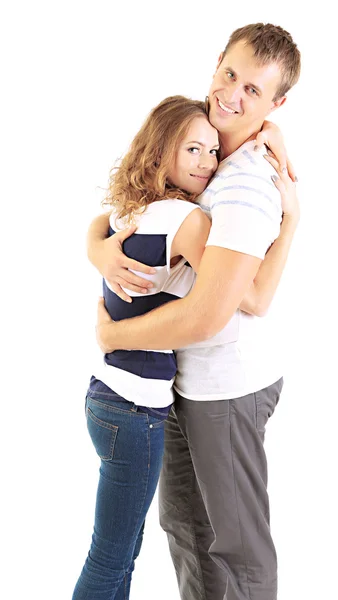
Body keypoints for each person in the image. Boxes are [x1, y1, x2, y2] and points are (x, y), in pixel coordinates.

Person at [89, 23, 301, 600]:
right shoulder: (208, 148)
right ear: (216, 64)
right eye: (230, 74)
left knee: (238, 548)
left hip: (227, 388)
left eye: (254, 91)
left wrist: (114, 331)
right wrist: (99, 247)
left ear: (276, 103)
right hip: (187, 383)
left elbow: (221, 311)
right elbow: (120, 210)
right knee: (185, 530)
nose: (232, 94)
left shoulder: (244, 184)